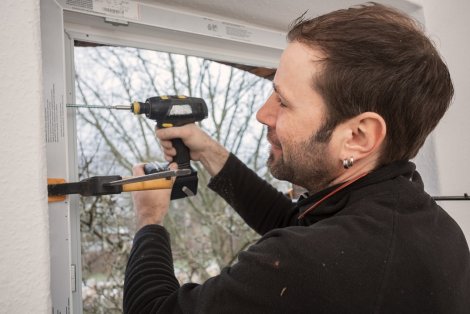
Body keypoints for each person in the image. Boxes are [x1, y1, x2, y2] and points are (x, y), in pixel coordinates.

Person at [124, 3, 470, 313]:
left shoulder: (314, 262)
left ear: (358, 136)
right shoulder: (427, 223)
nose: (263, 113)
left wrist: (149, 219)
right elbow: (293, 220)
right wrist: (209, 153)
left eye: (283, 101)